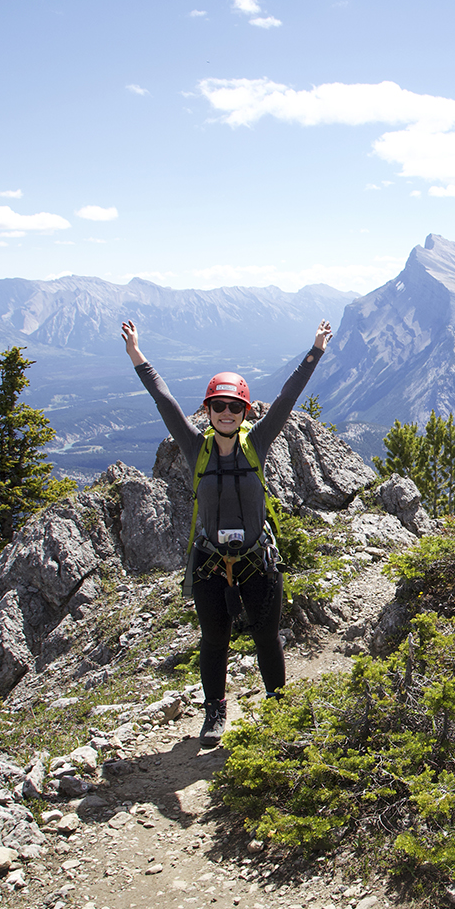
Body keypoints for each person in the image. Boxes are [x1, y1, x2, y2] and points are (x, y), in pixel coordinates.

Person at [121, 318, 333, 747]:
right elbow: (164, 402)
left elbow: (288, 399)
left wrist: (315, 351)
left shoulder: (258, 442)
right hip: (210, 561)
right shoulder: (194, 446)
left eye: (235, 407)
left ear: (245, 412)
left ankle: (277, 707)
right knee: (214, 639)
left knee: (266, 637)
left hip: (258, 558)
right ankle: (214, 713)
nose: (226, 412)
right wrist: (136, 355)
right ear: (208, 410)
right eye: (218, 406)